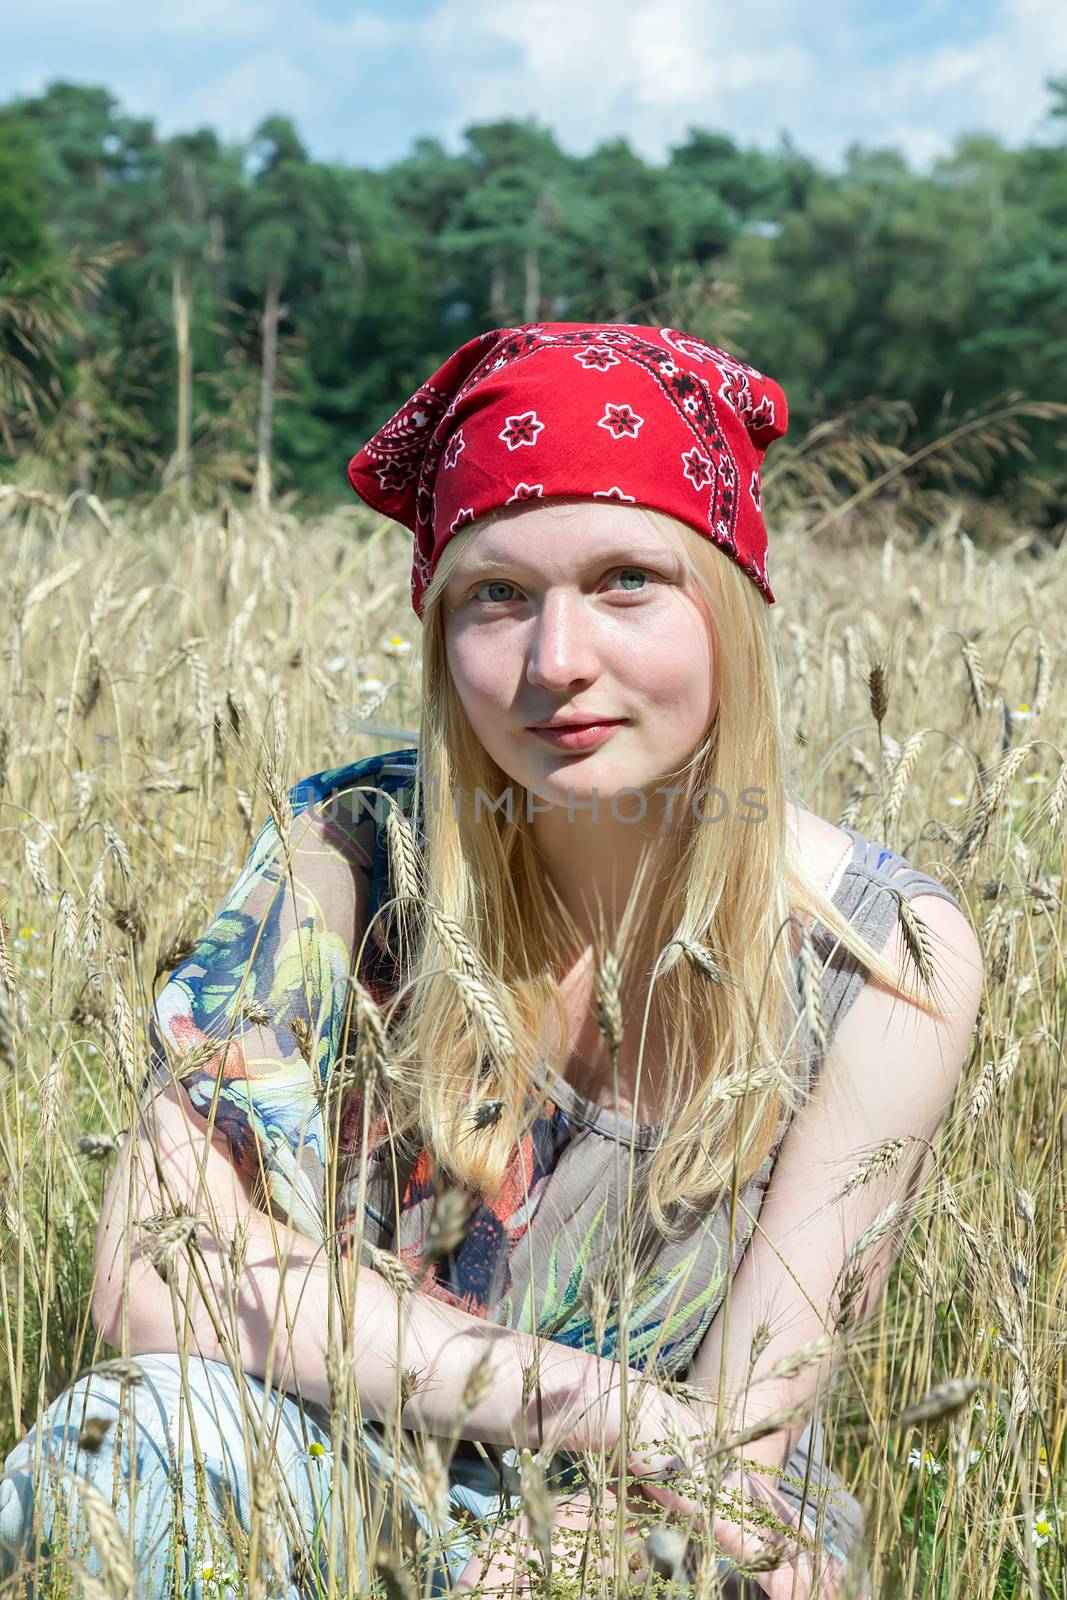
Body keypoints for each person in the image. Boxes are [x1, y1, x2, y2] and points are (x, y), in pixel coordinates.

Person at [0, 322, 983, 1599]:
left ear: (729, 607)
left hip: (661, 1516)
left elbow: (749, 1428)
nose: (555, 661)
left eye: (629, 578)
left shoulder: (883, 955)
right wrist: (594, 1402)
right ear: (441, 632)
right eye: (496, 595)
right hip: (325, 1458)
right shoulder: (346, 861)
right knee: (129, 1441)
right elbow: (155, 1270)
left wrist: (562, 1545)